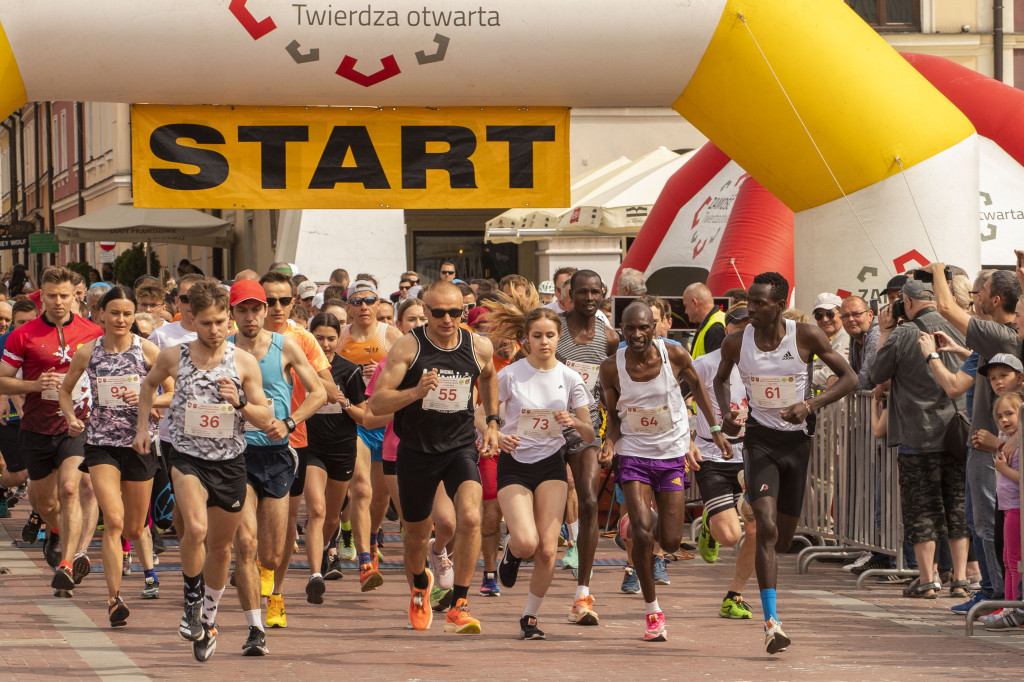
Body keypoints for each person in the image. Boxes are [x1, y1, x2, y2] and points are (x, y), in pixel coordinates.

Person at [716, 272, 856, 654]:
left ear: (779, 305)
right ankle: (771, 623)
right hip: (760, 440)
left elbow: (850, 378)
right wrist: (728, 414)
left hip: (797, 444)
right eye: (748, 301)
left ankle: (754, 502)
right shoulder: (735, 341)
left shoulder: (805, 336)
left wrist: (808, 405)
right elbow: (720, 380)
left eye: (760, 303)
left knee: (782, 537)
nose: (751, 309)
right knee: (765, 528)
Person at [133, 278, 272, 662]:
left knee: (221, 547)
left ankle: (207, 615)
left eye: (221, 322)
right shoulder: (173, 356)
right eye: (207, 322)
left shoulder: (243, 362)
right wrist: (143, 428)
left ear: (229, 320)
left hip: (229, 461)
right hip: (186, 456)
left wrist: (240, 402)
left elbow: (264, 416)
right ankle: (192, 599)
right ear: (192, 318)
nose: (215, 330)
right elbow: (148, 387)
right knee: (194, 528)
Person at [368, 281, 500, 634]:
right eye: (438, 312)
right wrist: (416, 391)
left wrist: (491, 420)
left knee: (471, 517)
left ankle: (459, 604)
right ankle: (418, 586)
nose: (447, 319)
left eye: (455, 312)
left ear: (463, 312)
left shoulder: (478, 346)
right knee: (415, 534)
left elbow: (489, 377)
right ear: (425, 312)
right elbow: (377, 404)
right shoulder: (408, 348)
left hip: (459, 447)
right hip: (416, 451)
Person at [601, 302, 730, 641]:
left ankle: (639, 521)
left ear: (655, 327)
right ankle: (652, 611)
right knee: (643, 535)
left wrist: (714, 429)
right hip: (634, 454)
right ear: (622, 329)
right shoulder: (611, 368)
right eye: (631, 329)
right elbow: (614, 417)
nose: (638, 334)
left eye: (645, 327)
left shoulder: (673, 354)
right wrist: (609, 442)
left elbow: (699, 388)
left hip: (671, 453)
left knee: (671, 540)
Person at [484, 298, 593, 639]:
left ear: (558, 337)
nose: (543, 341)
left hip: (551, 463)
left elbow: (590, 432)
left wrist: (572, 420)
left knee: (548, 549)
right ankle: (511, 552)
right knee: (527, 542)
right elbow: (480, 413)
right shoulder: (510, 375)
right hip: (514, 462)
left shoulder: (570, 377)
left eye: (549, 335)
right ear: (525, 340)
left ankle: (530, 617)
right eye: (537, 335)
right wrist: (497, 435)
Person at [226, 279, 325, 654]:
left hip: (278, 453)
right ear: (232, 313)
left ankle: (264, 581)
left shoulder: (285, 345)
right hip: (236, 454)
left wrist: (290, 422)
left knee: (270, 552)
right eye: (242, 310)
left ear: (266, 310)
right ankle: (255, 629)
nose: (250, 317)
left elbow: (318, 392)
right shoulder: (224, 349)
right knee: (246, 543)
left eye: (256, 309)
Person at [59, 286, 162, 627]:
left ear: (134, 316)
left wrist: (152, 404)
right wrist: (72, 417)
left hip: (139, 444)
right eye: (114, 312)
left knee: (133, 527)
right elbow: (64, 389)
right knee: (114, 521)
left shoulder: (146, 350)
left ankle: (125, 573)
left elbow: (173, 390)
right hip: (101, 444)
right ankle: (115, 599)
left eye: (127, 313)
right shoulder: (87, 352)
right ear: (101, 314)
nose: (121, 319)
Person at [0, 266, 103, 594]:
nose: (58, 302)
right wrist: (33, 384)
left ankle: (66, 563)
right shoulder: (23, 334)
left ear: (76, 295)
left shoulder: (92, 332)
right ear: (40, 296)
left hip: (76, 427)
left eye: (64, 295)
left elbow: (106, 374)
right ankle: (56, 531)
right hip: (35, 427)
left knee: (72, 489)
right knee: (44, 502)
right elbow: (2, 379)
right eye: (51, 296)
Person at [870, 276, 971, 601]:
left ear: (908, 303)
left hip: (917, 437)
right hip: (956, 434)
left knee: (920, 509)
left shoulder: (903, 333)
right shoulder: (957, 326)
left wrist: (885, 332)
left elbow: (876, 373)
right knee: (956, 505)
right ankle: (959, 578)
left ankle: (927, 580)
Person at [928, 262, 1021, 611]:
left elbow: (946, 307)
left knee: (988, 519)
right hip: (981, 439)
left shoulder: (1001, 333)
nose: (975, 298)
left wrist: (938, 271)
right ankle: (991, 588)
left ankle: (999, 592)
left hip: (992, 444)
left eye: (980, 293)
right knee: (976, 518)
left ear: (996, 299)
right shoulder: (994, 335)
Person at [257, 271, 337, 628]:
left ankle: (275, 593)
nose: (276, 307)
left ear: (294, 302)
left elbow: (328, 386)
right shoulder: (235, 337)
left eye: (283, 300)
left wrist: (306, 386)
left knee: (286, 524)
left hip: (292, 440)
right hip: (241, 441)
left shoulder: (301, 339)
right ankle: (254, 572)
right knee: (247, 523)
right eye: (268, 300)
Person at [690, 305, 759, 619]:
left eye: (751, 327)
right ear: (727, 330)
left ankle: (735, 595)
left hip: (750, 455)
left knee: (756, 527)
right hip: (712, 455)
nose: (745, 333)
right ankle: (710, 523)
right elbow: (675, 400)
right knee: (730, 536)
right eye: (739, 327)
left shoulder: (761, 364)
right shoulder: (704, 364)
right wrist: (687, 440)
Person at [558, 269, 618, 624]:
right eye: (583, 292)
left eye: (596, 292)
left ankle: (583, 591)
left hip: (585, 430)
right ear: (569, 295)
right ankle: (516, 554)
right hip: (546, 428)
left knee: (590, 499)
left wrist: (610, 436)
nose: (590, 298)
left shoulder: (609, 339)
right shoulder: (553, 328)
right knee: (541, 511)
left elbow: (613, 392)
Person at [337, 278, 401, 592]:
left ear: (378, 305)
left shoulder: (390, 335)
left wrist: (383, 374)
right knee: (361, 489)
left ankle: (373, 538)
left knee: (380, 498)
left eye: (369, 301)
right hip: (357, 421)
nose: (363, 307)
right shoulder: (341, 338)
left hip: (385, 422)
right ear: (348, 307)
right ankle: (364, 560)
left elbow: (408, 374)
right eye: (357, 301)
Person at [305, 312, 366, 589]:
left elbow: (363, 414)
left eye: (331, 338)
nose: (326, 344)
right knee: (316, 510)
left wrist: (344, 404)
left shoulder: (349, 370)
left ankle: (325, 548)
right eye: (319, 338)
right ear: (310, 337)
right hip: (310, 447)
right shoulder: (301, 368)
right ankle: (315, 573)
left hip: (342, 448)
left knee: (331, 515)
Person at [985, 392, 1024, 630]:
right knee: (1008, 561)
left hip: (1018, 509)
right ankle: (1010, 606)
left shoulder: (1019, 447)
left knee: (1015, 560)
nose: (1004, 420)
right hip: (1008, 509)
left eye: (1009, 413)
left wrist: (1002, 468)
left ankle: (1017, 607)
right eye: (1000, 416)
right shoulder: (1010, 443)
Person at [810, 293, 850, 391]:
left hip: (849, 404)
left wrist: (802, 379)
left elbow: (836, 370)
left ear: (841, 314)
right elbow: (817, 367)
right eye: (819, 316)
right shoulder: (825, 340)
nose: (825, 319)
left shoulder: (846, 336)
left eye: (830, 314)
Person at [683, 282, 725, 359]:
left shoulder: (716, 327)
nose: (685, 311)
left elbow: (715, 367)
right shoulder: (712, 323)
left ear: (694, 302)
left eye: (686, 306)